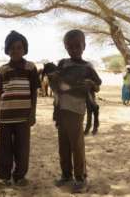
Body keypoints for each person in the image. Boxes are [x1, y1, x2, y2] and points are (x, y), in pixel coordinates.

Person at [54, 29, 102, 193]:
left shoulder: (88, 67)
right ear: (65, 47)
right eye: (70, 46)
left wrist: (90, 84)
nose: (74, 49)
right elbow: (56, 81)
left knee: (77, 145)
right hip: (61, 109)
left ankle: (80, 178)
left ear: (84, 46)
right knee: (63, 145)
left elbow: (97, 85)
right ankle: (66, 175)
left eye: (77, 46)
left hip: (76, 110)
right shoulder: (62, 63)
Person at [0, 30, 41, 188]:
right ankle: (3, 176)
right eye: (12, 47)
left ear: (24, 49)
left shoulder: (31, 68)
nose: (15, 50)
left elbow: (34, 93)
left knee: (22, 148)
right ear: (7, 50)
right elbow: (0, 95)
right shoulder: (3, 70)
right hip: (5, 116)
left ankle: (20, 176)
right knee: (3, 148)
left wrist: (32, 114)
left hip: (23, 117)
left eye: (19, 47)